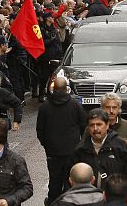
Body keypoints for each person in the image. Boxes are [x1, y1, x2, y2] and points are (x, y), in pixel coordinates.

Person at [73, 108, 127, 204]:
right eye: (91, 125)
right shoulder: (81, 150)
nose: (95, 129)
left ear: (107, 125)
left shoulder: (119, 146)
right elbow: (70, 178)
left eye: (99, 124)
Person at [37, 76, 88, 204]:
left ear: (54, 89)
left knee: (54, 180)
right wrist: (81, 144)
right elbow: (84, 126)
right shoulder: (75, 105)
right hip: (72, 150)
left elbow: (40, 130)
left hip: (53, 152)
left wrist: (47, 145)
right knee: (70, 180)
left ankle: (53, 202)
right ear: (66, 89)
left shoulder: (45, 107)